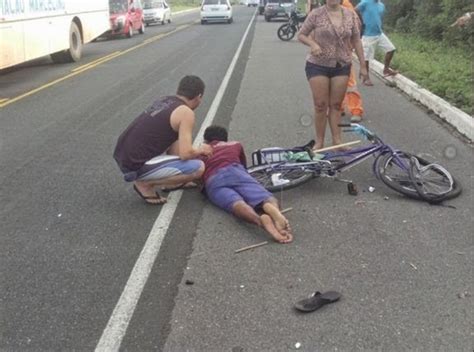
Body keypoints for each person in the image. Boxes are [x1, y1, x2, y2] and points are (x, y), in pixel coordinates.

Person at [113, 75, 212, 205]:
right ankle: (145, 183)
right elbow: (186, 153)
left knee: (177, 135)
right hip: (135, 164)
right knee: (198, 167)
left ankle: (170, 183)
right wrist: (201, 149)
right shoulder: (186, 113)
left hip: (123, 155)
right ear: (199, 97)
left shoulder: (165, 100)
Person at [200, 125, 293, 244]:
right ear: (225, 139)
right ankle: (271, 208)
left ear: (206, 141)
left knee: (235, 203)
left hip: (214, 179)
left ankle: (259, 221)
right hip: (236, 171)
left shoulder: (201, 153)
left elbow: (199, 175)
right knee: (264, 196)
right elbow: (243, 165)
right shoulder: (234, 144)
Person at [298, 0, 368, 150]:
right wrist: (313, 44)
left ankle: (337, 141)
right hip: (317, 65)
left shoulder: (351, 15)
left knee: (336, 105)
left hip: (342, 65)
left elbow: (356, 40)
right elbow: (302, 35)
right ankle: (319, 142)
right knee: (320, 105)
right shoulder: (316, 14)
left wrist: (363, 66)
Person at [356, 0, 398, 86]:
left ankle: (386, 69)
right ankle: (366, 78)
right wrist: (361, 21)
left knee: (391, 49)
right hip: (368, 34)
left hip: (379, 33)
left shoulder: (381, 5)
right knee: (366, 58)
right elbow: (355, 10)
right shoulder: (366, 2)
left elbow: (376, 17)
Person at [341, 0, 364, 122]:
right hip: (330, 54)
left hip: (344, 52)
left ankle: (356, 110)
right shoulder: (327, 7)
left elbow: (356, 27)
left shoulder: (346, 6)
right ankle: (338, 108)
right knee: (335, 83)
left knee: (349, 83)